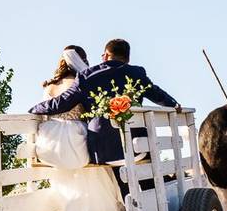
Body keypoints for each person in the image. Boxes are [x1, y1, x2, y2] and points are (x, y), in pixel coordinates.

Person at [30, 39, 181, 166]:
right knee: (145, 171)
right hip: (137, 148)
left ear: (106, 55)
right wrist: (174, 104)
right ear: (127, 58)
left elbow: (62, 103)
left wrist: (35, 108)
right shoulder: (137, 73)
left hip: (102, 152)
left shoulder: (86, 76)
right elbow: (156, 93)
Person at [37, 45, 125, 211]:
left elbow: (45, 112)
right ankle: (96, 209)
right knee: (95, 146)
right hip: (74, 136)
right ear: (82, 61)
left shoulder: (49, 86)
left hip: (50, 140)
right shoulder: (82, 82)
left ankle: (66, 206)